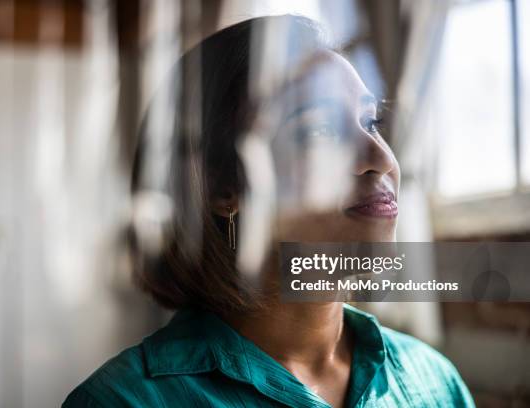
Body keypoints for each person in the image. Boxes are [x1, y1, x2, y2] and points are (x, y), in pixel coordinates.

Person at [63, 15, 475, 408]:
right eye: (319, 130)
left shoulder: (436, 382)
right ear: (224, 186)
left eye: (371, 123)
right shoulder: (121, 402)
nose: (381, 159)